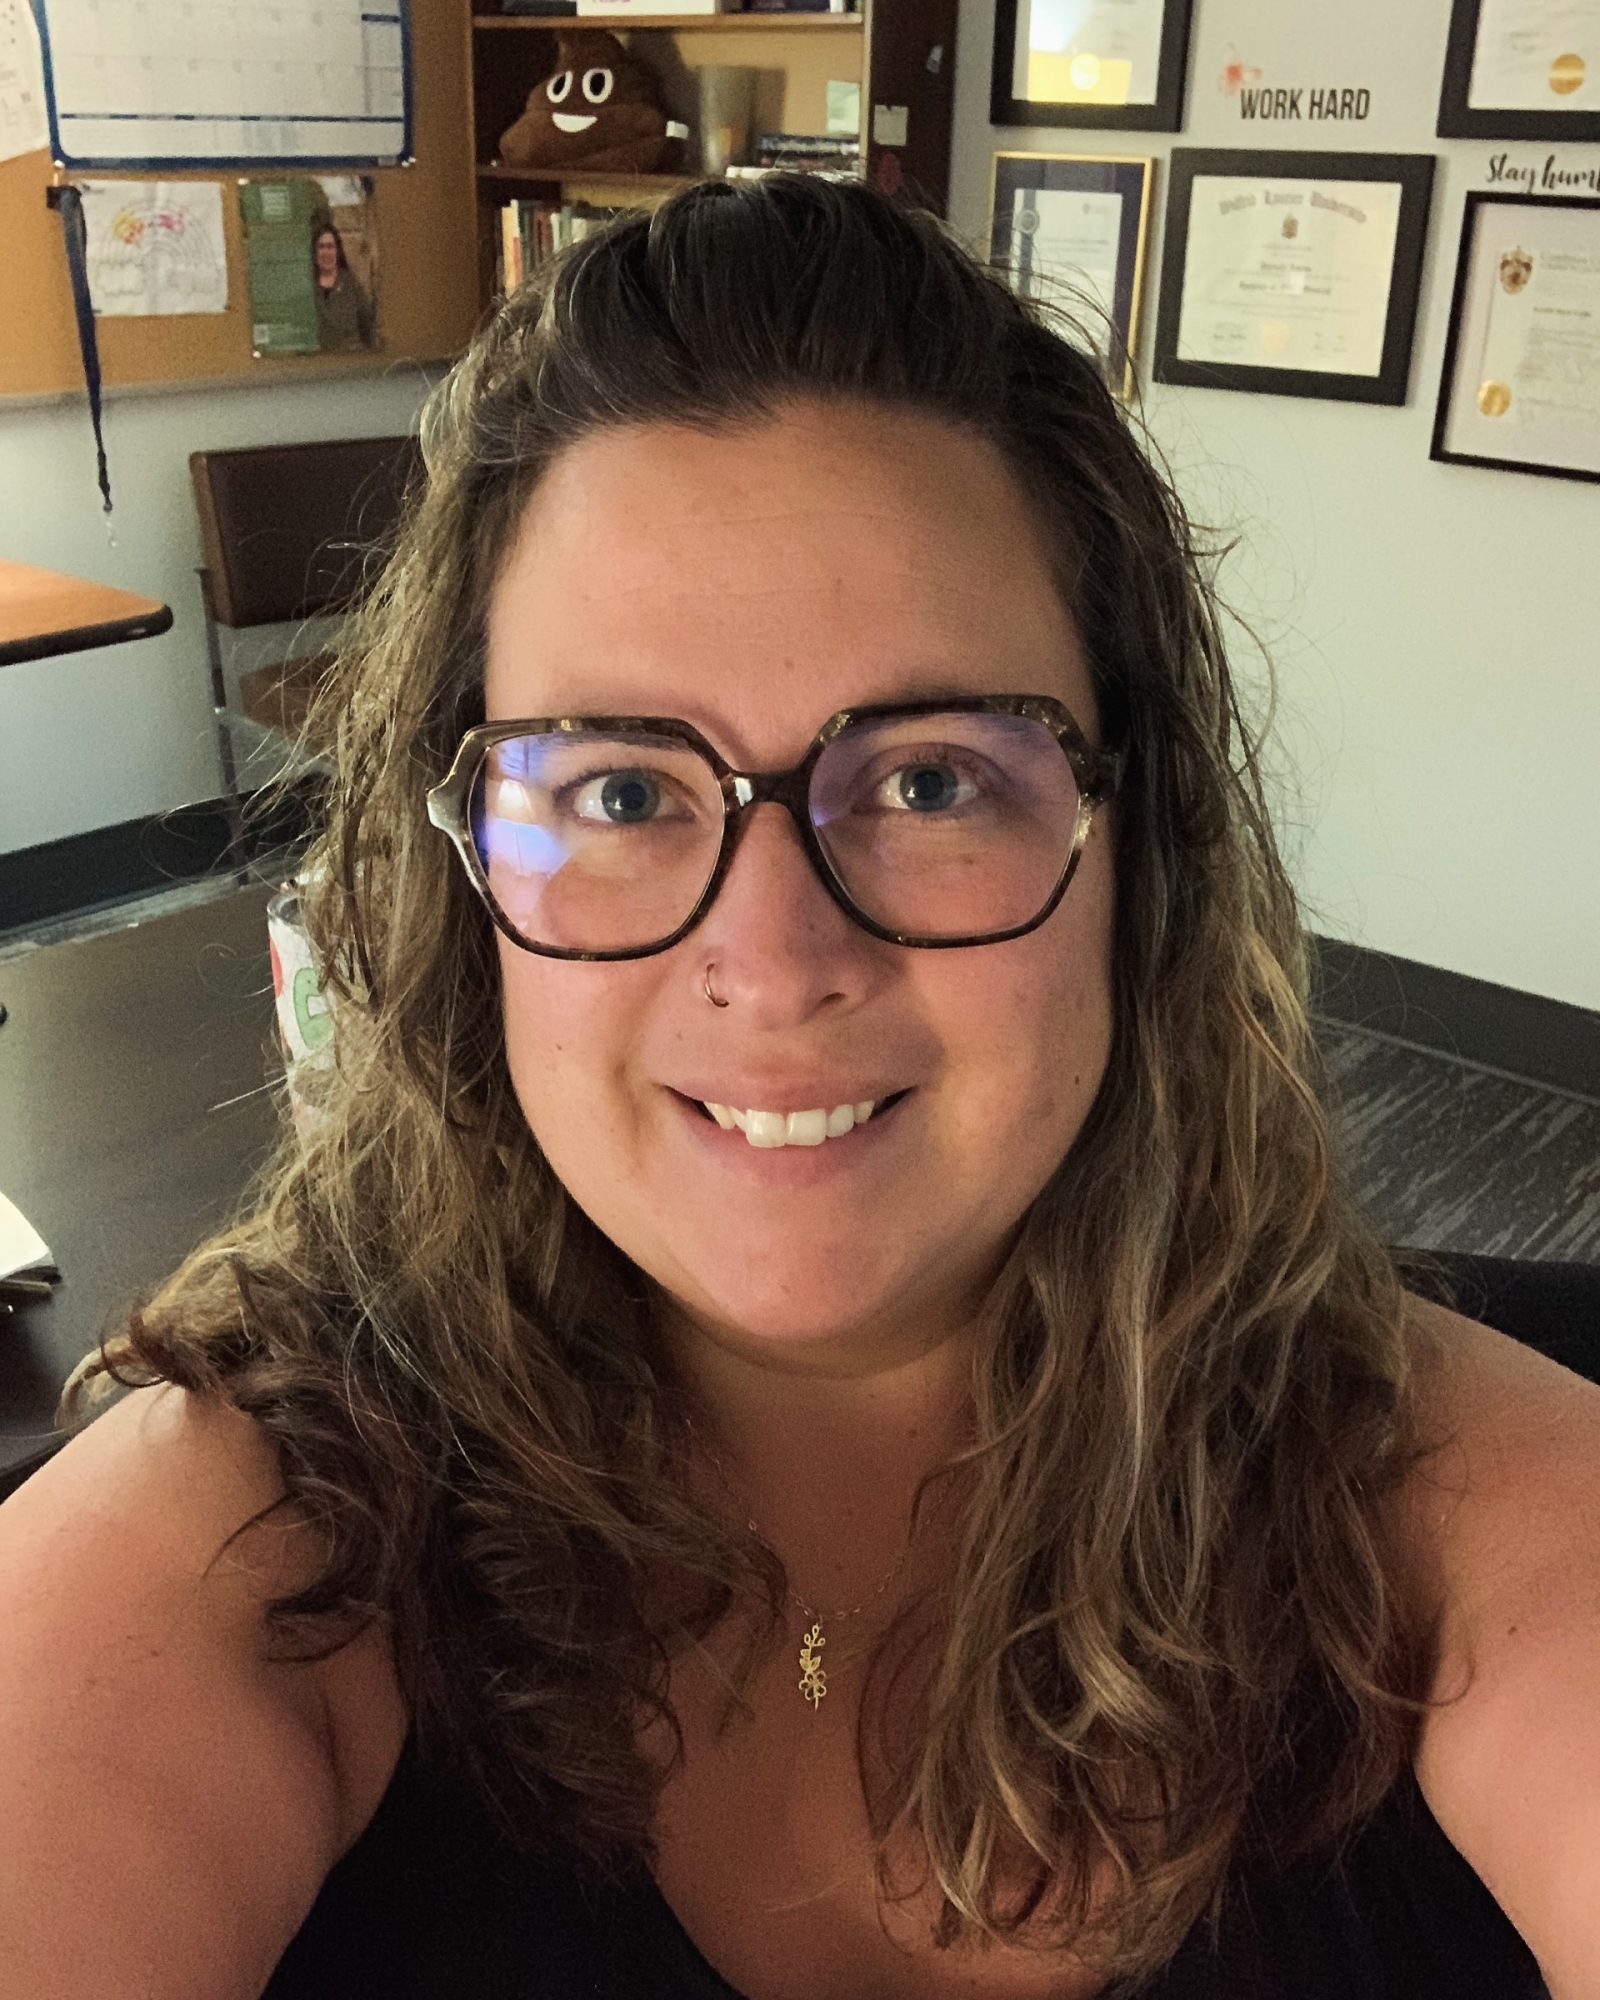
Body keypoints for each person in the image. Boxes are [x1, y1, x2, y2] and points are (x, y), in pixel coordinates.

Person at [2, 176, 1596, 2000]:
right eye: (617, 790)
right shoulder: (233, 1543)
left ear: (1137, 848)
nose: (771, 960)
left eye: (928, 781)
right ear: (463, 874)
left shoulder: (1455, 1502)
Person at [312, 219, 375, 352]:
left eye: (330, 246)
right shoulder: (307, 286)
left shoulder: (352, 285)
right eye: (321, 247)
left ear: (337, 250)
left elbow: (367, 326)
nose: (326, 252)